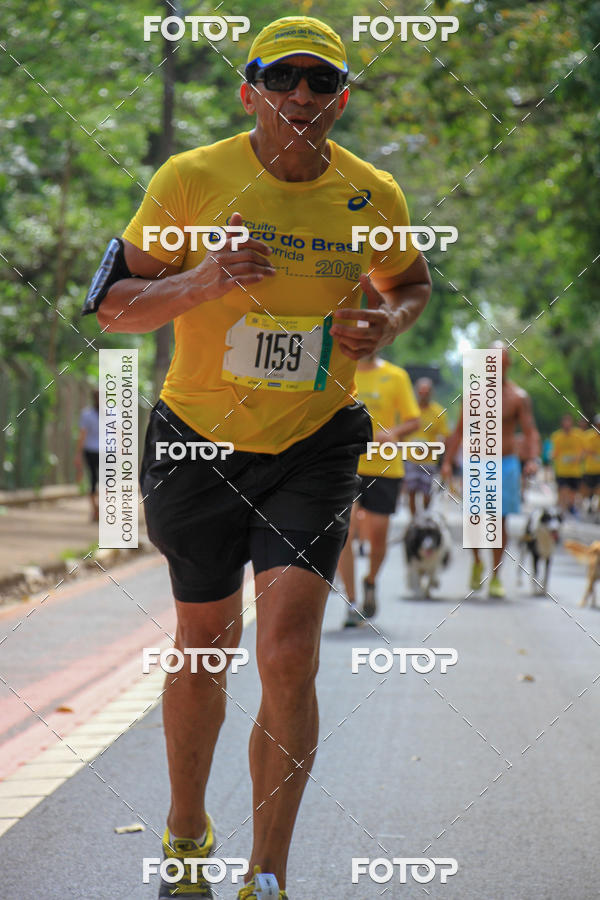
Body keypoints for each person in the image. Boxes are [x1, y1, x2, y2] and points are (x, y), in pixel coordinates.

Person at [83, 16, 431, 899]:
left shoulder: (372, 194)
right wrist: (200, 281)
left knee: (287, 651)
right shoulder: (191, 179)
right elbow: (114, 307)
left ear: (342, 100)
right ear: (251, 92)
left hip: (313, 443)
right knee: (206, 639)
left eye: (322, 84)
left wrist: (387, 322)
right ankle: (187, 829)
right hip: (197, 440)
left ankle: (266, 874)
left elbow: (411, 282)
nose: (303, 97)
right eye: (285, 79)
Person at [441, 343, 540, 598]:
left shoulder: (518, 397)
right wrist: (447, 461)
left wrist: (532, 458)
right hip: (476, 462)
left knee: (499, 519)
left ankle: (495, 575)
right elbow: (460, 430)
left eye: (501, 359)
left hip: (506, 462)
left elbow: (529, 431)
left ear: (507, 364)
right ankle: (476, 562)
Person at [336, 353, 420, 626]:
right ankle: (351, 602)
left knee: (378, 537)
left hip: (385, 468)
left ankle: (370, 580)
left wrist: (393, 433)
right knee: (344, 533)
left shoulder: (396, 376)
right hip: (347, 463)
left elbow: (413, 420)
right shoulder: (340, 369)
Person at [403, 377, 448, 517]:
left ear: (431, 393)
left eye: (426, 391)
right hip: (410, 458)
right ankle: (414, 520)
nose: (423, 394)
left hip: (429, 460)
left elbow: (444, 436)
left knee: (426, 492)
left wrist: (434, 447)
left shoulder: (438, 412)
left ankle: (424, 516)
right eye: (421, 391)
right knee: (410, 491)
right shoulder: (409, 409)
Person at [551, 413, 586, 516]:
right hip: (562, 469)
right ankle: (561, 510)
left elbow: (584, 450)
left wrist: (578, 458)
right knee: (563, 490)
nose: (567, 424)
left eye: (568, 421)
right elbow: (554, 452)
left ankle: (570, 507)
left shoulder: (579, 435)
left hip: (575, 470)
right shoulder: (556, 436)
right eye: (565, 422)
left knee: (573, 492)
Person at [75, 389, 100, 521]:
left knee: (93, 480)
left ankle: (95, 508)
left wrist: (78, 454)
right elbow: (119, 434)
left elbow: (82, 436)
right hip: (107, 452)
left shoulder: (86, 414)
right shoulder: (113, 413)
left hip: (90, 450)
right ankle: (100, 508)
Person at [582, 414, 600, 520]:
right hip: (590, 469)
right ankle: (589, 504)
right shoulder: (588, 436)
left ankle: (598, 512)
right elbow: (586, 449)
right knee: (589, 490)